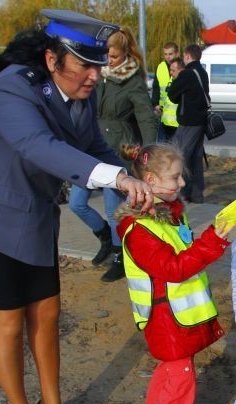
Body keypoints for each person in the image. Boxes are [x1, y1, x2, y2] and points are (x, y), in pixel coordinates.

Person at [0, 9, 154, 404]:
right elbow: (40, 146)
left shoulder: (81, 92)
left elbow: (90, 144)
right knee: (9, 323)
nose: (95, 77)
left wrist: (133, 173)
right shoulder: (11, 89)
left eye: (100, 66)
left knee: (49, 315)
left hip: (32, 217)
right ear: (52, 59)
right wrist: (114, 181)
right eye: (85, 66)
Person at [115, 143, 234, 404]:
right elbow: (174, 269)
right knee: (179, 377)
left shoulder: (166, 216)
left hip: (176, 316)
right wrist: (214, 242)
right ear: (150, 180)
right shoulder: (140, 230)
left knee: (170, 374)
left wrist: (209, 237)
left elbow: (183, 256)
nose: (182, 183)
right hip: (165, 318)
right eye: (176, 177)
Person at [68, 27, 157, 282]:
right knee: (76, 203)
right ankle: (105, 237)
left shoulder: (133, 81)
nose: (108, 60)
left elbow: (146, 118)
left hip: (119, 153)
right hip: (90, 149)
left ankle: (120, 256)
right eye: (105, 54)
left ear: (125, 53)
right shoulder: (94, 76)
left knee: (112, 209)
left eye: (114, 56)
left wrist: (149, 154)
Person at [167, 45, 209, 203]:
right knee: (196, 158)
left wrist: (175, 82)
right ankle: (197, 195)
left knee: (180, 155)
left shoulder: (187, 74)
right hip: (200, 121)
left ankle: (182, 192)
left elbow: (172, 94)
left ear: (187, 56)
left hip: (188, 121)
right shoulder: (202, 72)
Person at [151, 42, 179, 141]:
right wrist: (155, 104)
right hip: (163, 115)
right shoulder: (161, 67)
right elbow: (156, 87)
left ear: (177, 54)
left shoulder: (182, 68)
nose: (167, 57)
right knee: (162, 149)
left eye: (170, 54)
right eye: (165, 54)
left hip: (178, 118)